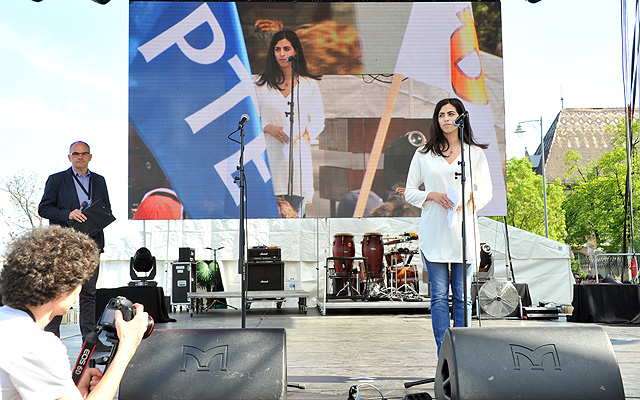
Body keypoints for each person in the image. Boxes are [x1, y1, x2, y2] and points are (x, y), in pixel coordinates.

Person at [0, 225, 149, 400]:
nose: (80, 290)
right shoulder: (37, 345)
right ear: (61, 291)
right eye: (79, 282)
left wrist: (69, 391)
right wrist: (127, 347)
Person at [404, 98, 493, 355]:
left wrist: (468, 198)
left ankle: (463, 355)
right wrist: (430, 195)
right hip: (435, 232)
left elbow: (486, 190)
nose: (445, 119)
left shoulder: (473, 153)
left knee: (463, 298)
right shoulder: (423, 154)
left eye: (450, 113)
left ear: (460, 117)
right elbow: (410, 191)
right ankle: (445, 355)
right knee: (439, 297)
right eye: (441, 114)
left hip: (463, 233)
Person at [38, 141, 112, 351]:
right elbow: (44, 208)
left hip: (91, 244)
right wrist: (67, 214)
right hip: (65, 245)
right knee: (59, 293)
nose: (80, 157)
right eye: (76, 154)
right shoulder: (57, 180)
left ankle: (90, 342)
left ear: (90, 157)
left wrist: (98, 217)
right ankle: (50, 342)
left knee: (89, 294)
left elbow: (106, 207)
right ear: (69, 157)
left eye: (84, 154)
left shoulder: (99, 181)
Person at [255, 30, 325, 218]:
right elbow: (249, 118)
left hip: (297, 156)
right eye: (277, 49)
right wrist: (267, 127)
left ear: (296, 52)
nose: (282, 54)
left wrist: (302, 134)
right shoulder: (260, 85)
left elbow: (319, 120)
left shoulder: (309, 85)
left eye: (287, 49)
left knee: (296, 218)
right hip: (270, 156)